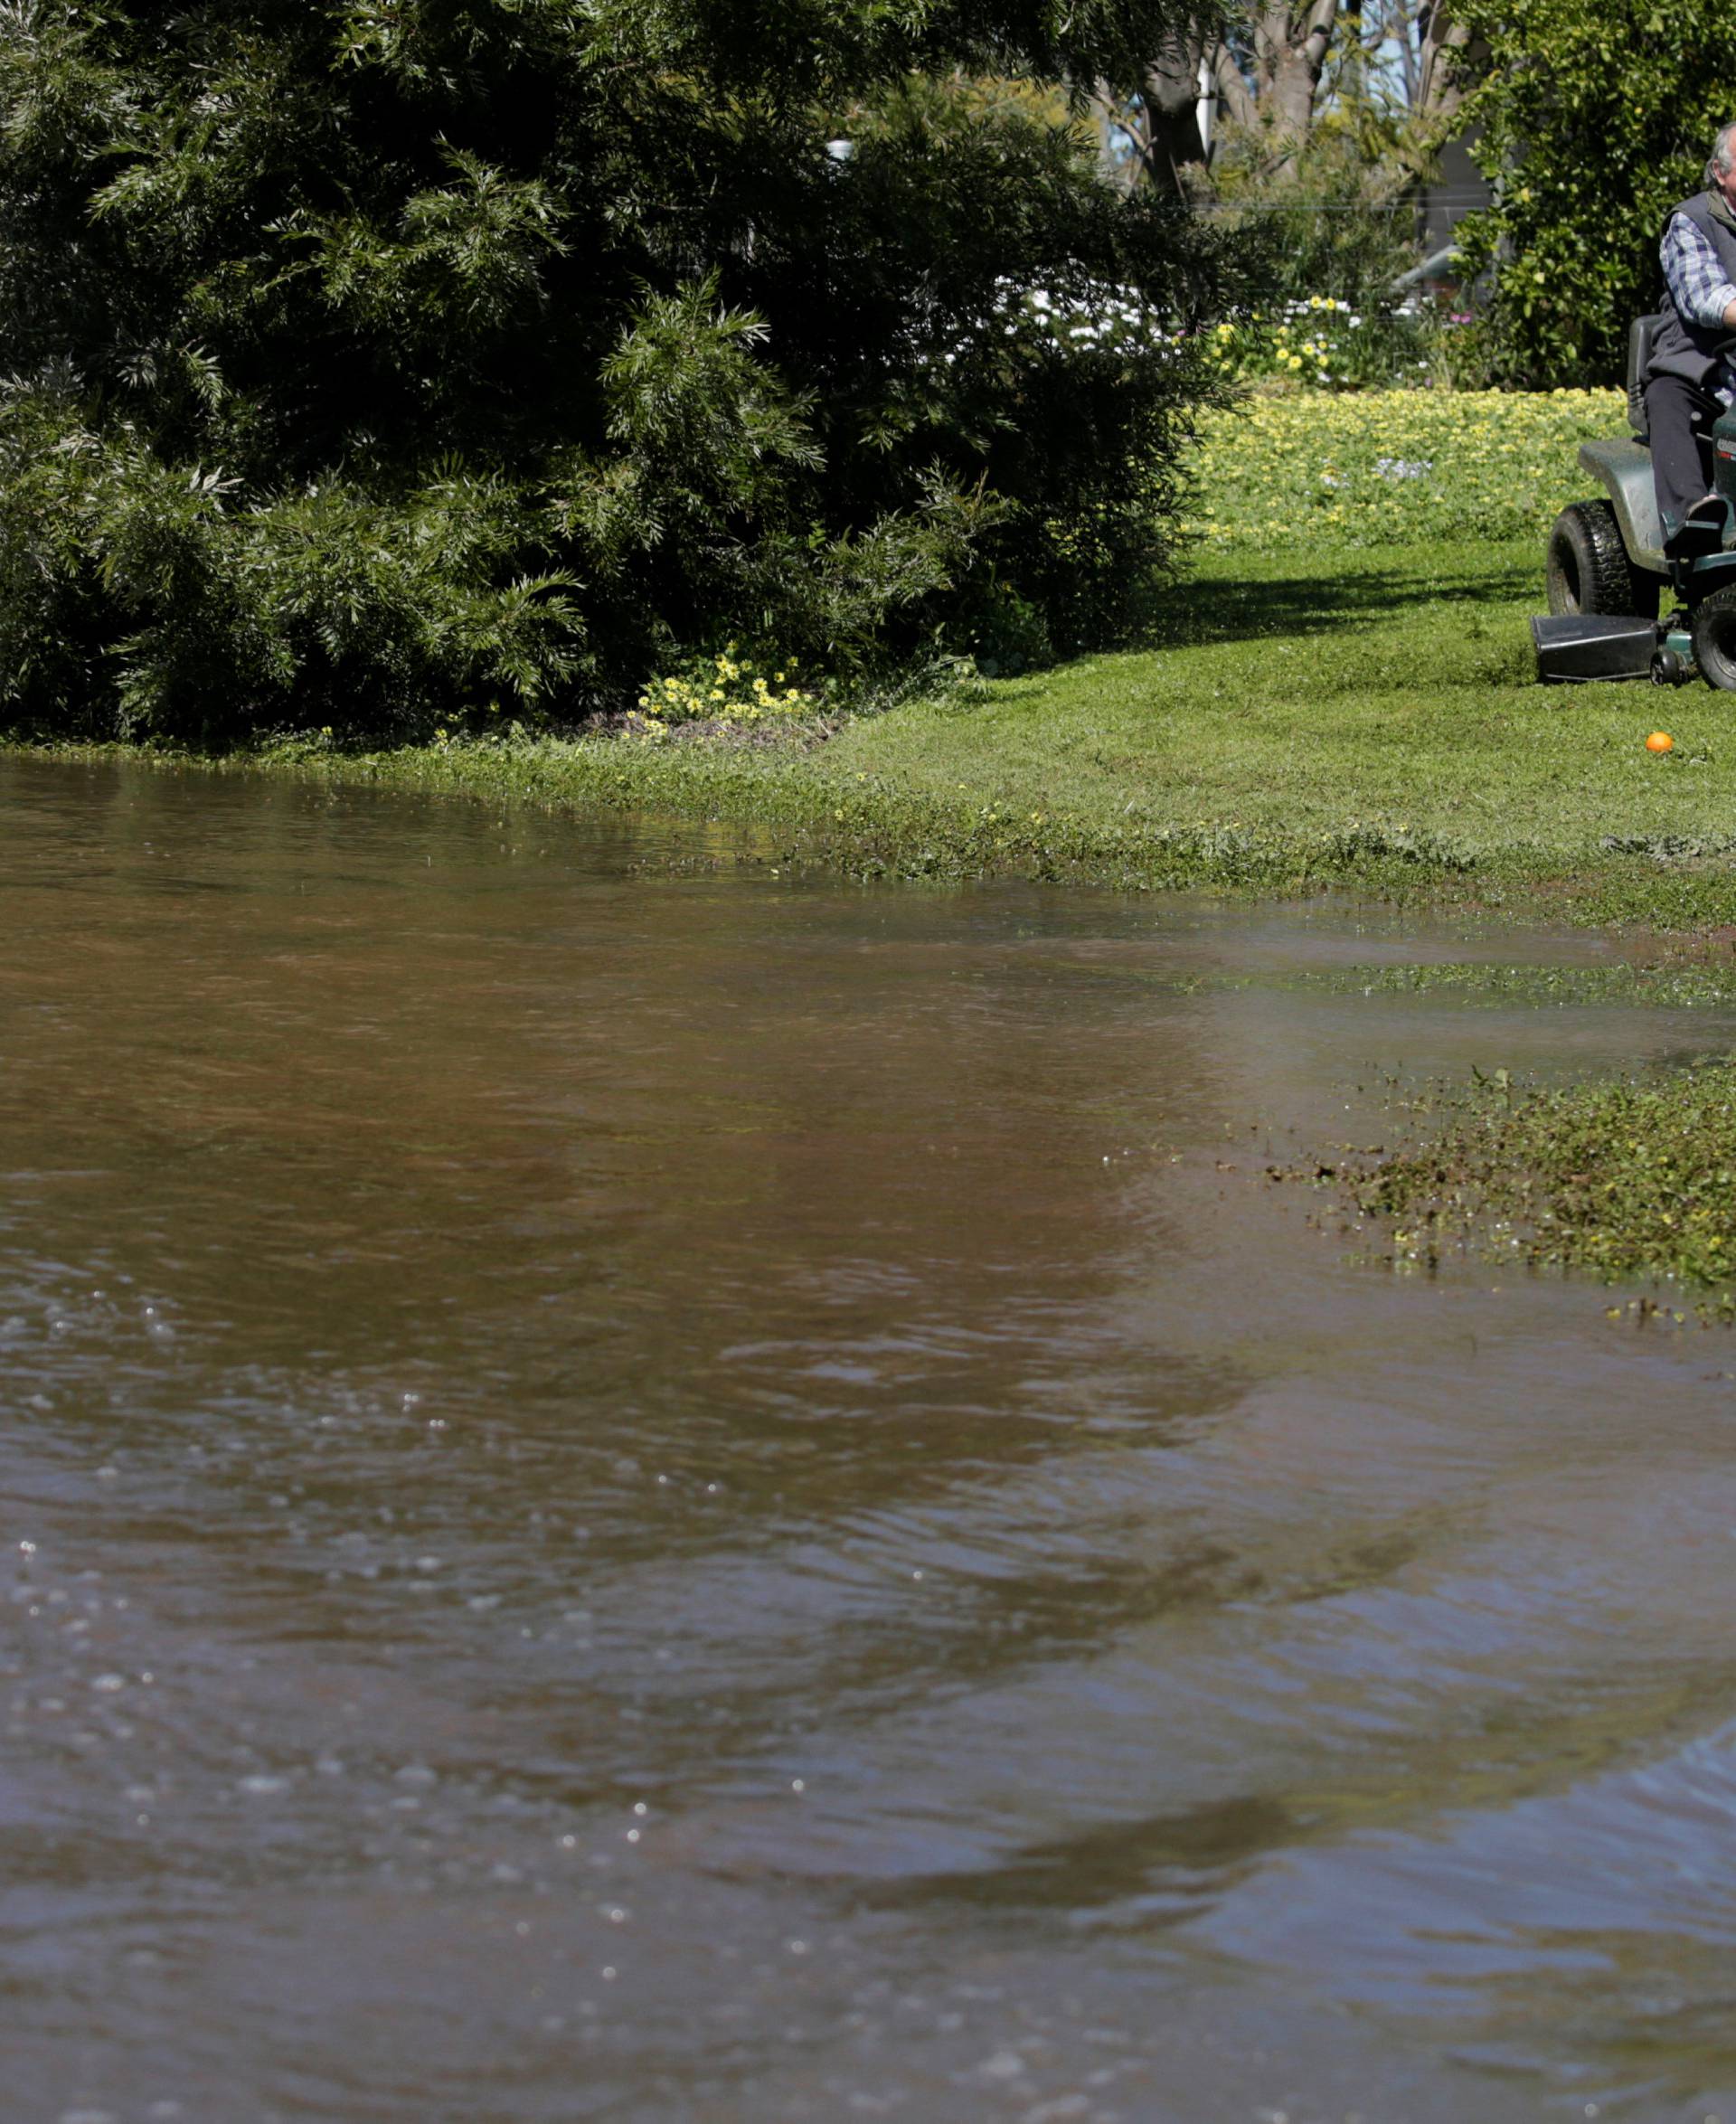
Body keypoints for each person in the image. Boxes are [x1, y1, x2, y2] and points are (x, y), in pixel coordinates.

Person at [1647, 120, 1736, 550]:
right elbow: (1708, 298)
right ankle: (1692, 517)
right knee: (1666, 396)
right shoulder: (1691, 220)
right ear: (1721, 173)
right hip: (1701, 367)